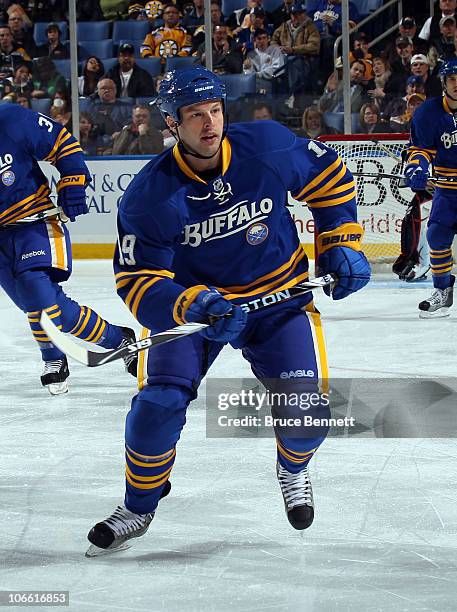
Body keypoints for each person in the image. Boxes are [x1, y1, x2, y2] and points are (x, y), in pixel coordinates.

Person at [85, 66, 370, 556]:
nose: (210, 124)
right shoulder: (149, 196)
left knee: (307, 414)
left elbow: (331, 183)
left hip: (279, 300)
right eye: (195, 116)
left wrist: (341, 243)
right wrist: (191, 301)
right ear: (171, 124)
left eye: (214, 111)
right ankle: (139, 506)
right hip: (198, 315)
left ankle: (293, 470)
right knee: (156, 409)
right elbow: (136, 281)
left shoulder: (267, 145)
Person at [0, 103, 139, 395]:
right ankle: (119, 339)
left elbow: (62, 142)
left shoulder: (10, 118)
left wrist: (73, 180)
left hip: (32, 226)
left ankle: (53, 359)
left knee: (35, 291)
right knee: (50, 309)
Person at [404, 58, 457, 317]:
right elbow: (420, 149)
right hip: (448, 191)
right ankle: (442, 291)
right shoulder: (428, 112)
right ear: (444, 83)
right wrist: (417, 168)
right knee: (436, 235)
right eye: (452, 80)